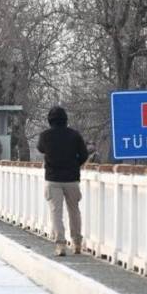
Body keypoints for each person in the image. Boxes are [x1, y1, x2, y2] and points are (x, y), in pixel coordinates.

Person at [37, 106, 88, 256]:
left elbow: (41, 149)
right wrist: (74, 165)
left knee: (56, 212)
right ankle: (77, 242)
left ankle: (60, 245)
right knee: (74, 210)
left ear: (50, 120)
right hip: (72, 179)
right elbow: (84, 154)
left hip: (53, 179)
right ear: (66, 119)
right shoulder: (74, 135)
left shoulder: (45, 136)